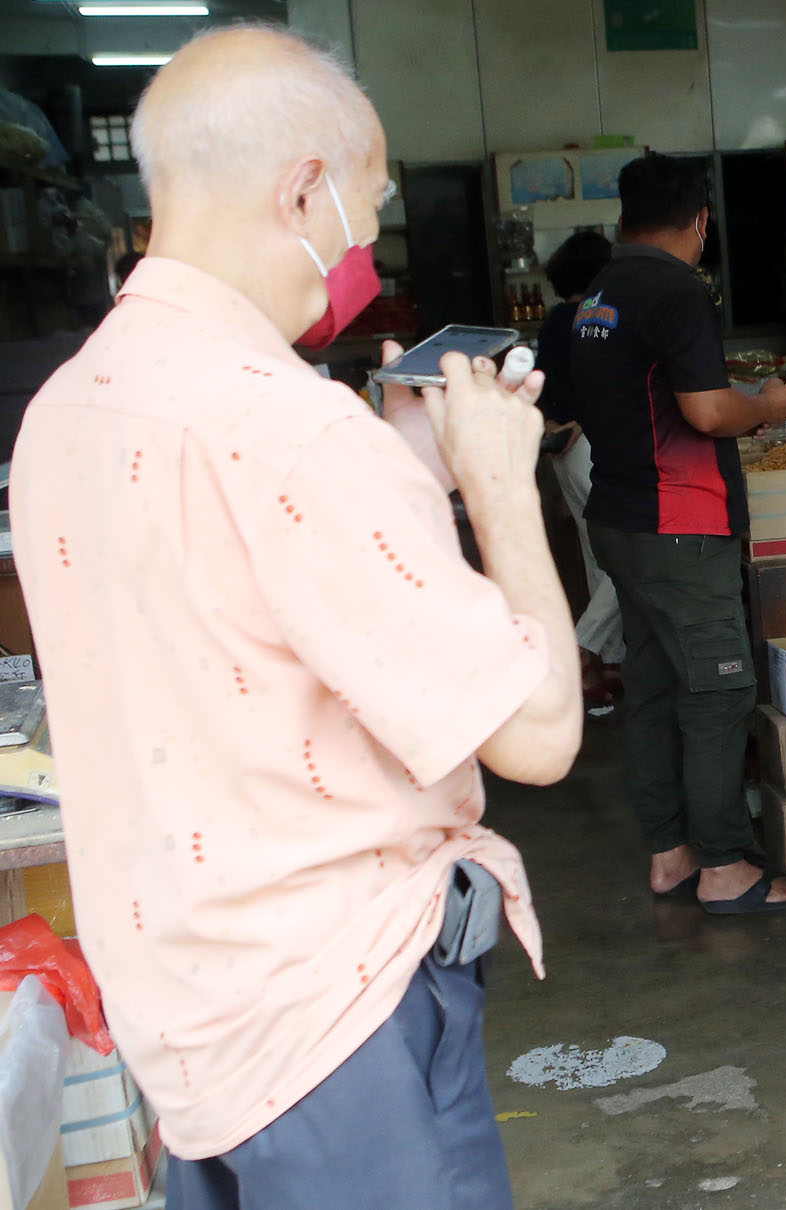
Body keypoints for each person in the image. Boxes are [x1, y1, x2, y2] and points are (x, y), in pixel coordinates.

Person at [10, 26, 582, 1208]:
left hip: (188, 1019)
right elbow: (538, 733)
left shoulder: (67, 409)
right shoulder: (290, 428)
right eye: (364, 214)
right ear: (305, 190)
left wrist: (401, 471)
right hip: (339, 1028)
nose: (361, 250)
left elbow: (246, 613)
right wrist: (495, 482)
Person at [568, 152, 786, 914]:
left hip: (621, 517)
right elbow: (708, 413)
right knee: (720, 688)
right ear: (701, 223)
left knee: (653, 686)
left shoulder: (600, 291)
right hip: (679, 522)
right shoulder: (675, 288)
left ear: (623, 216)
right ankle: (723, 865)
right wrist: (770, 407)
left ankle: (670, 851)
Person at [532, 228, 625, 707]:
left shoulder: (553, 323)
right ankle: (580, 649)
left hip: (564, 451)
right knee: (625, 558)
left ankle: (608, 669)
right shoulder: (599, 318)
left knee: (596, 557)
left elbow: (546, 386)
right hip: (594, 445)